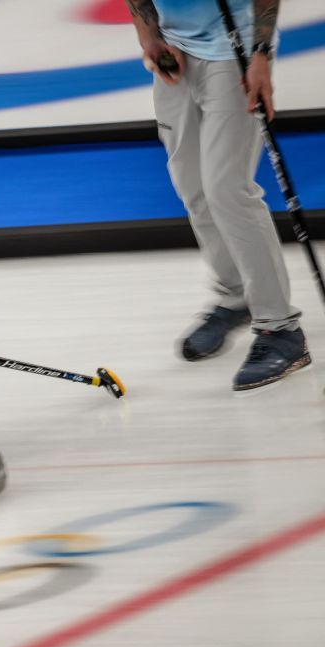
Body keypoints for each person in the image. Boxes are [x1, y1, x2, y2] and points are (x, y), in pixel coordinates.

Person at [127, 0, 310, 390]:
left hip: (235, 52)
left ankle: (281, 328)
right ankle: (236, 297)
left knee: (228, 188)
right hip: (176, 49)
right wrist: (151, 35)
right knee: (192, 187)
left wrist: (260, 56)